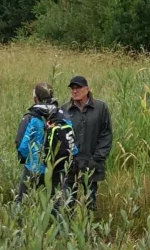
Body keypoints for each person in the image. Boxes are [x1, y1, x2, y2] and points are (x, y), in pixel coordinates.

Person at [13, 82, 74, 213]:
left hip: (34, 167)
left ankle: (18, 231)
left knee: (21, 201)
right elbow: (71, 142)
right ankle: (57, 230)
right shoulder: (63, 116)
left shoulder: (31, 117)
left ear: (35, 99)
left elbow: (22, 146)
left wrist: (25, 160)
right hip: (56, 167)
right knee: (56, 202)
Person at [64, 75, 113, 212]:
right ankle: (67, 231)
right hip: (70, 166)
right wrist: (65, 159)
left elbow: (106, 135)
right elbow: (60, 137)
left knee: (90, 203)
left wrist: (96, 158)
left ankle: (89, 231)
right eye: (72, 88)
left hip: (91, 164)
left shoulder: (100, 108)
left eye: (78, 88)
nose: (74, 91)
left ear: (87, 89)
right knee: (67, 204)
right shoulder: (64, 110)